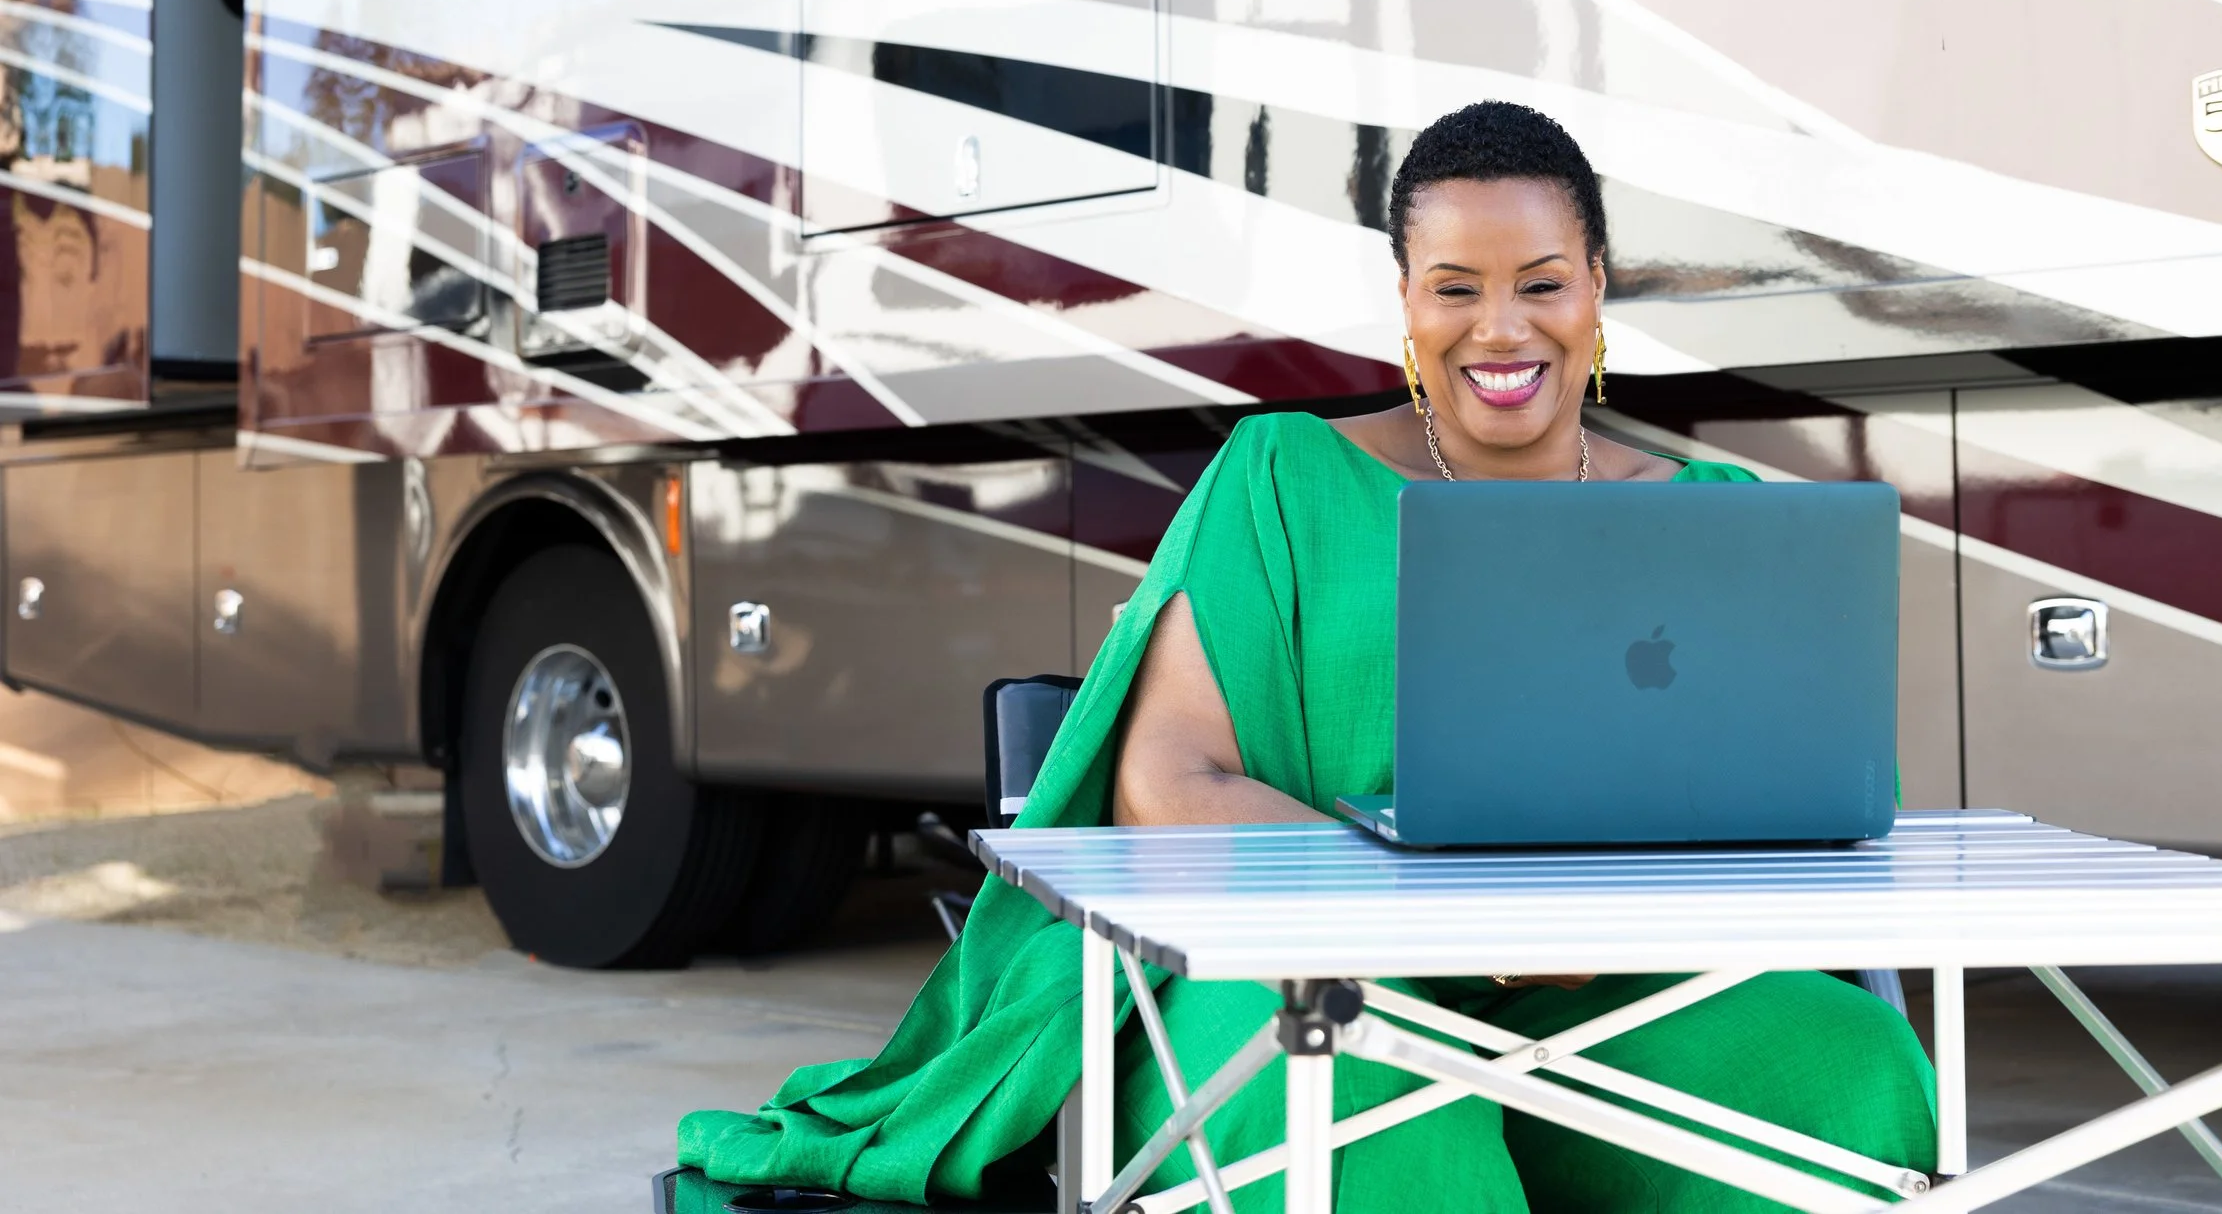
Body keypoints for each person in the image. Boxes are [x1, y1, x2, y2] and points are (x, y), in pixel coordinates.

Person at [680, 101, 1937, 1212]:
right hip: (1300, 969)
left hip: (1609, 983)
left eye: (1541, 283)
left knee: (1847, 1067)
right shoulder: (1280, 477)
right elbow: (1167, 782)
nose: (1499, 329)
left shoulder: (1712, 510)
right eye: (1454, 287)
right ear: (1404, 300)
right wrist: (1448, 920)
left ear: (1598, 288)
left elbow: (1795, 793)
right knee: (1378, 1094)